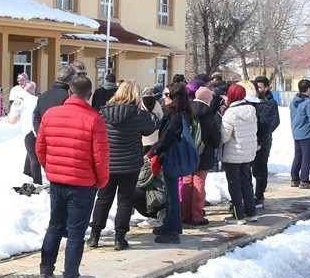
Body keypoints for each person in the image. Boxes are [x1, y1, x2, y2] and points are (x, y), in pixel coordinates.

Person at [35, 74, 110, 278]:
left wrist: (51, 168)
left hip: (58, 180)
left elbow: (40, 147)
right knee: (76, 233)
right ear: (89, 95)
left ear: (69, 92)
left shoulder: (50, 114)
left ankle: (46, 273)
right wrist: (101, 180)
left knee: (55, 226)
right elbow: (101, 156)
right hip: (83, 183)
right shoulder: (94, 118)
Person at [88, 80, 156, 250]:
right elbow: (149, 130)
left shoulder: (103, 112)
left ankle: (95, 235)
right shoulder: (140, 115)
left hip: (107, 163)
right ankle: (119, 238)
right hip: (130, 163)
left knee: (103, 199)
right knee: (125, 201)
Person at [147, 83, 195, 244]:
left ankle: (173, 231)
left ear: (175, 97)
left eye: (167, 95)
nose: (164, 98)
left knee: (172, 195)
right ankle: (169, 224)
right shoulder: (178, 113)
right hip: (170, 156)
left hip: (172, 157)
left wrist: (153, 150)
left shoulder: (177, 116)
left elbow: (167, 137)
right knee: (169, 193)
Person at [182, 86, 222, 226]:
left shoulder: (186, 111)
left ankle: (185, 214)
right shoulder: (207, 114)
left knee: (187, 181)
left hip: (187, 152)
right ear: (207, 99)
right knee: (199, 182)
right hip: (203, 153)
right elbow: (216, 136)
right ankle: (197, 216)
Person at [220, 81, 258, 222]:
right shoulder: (251, 110)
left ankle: (238, 215)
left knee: (234, 185)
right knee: (246, 182)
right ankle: (251, 212)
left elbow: (224, 137)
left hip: (233, 154)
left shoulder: (230, 113)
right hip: (247, 152)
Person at [251, 75, 281, 206]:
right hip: (250, 138)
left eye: (260, 87)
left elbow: (275, 120)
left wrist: (265, 134)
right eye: (256, 87)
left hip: (264, 140)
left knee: (260, 168)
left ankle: (259, 194)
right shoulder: (252, 101)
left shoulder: (271, 102)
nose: (258, 89)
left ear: (266, 87)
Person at [289, 78, 310, 189]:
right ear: (308, 89)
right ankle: (304, 180)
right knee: (307, 157)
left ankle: (294, 178)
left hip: (297, 132)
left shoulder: (294, 102)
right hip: (307, 133)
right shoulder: (308, 103)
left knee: (298, 157)